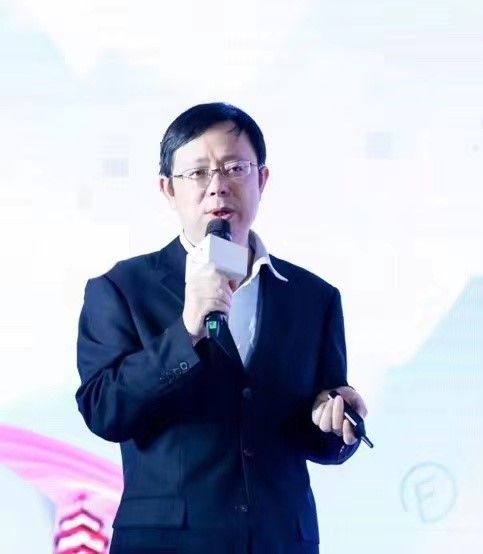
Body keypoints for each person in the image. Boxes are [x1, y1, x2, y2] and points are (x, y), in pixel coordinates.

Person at [75, 102, 368, 554]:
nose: (218, 186)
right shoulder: (121, 289)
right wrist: (187, 330)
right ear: (168, 189)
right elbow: (103, 410)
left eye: (235, 168)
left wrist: (337, 423)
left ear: (261, 180)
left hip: (281, 542)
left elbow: (318, 435)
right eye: (197, 173)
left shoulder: (313, 297)